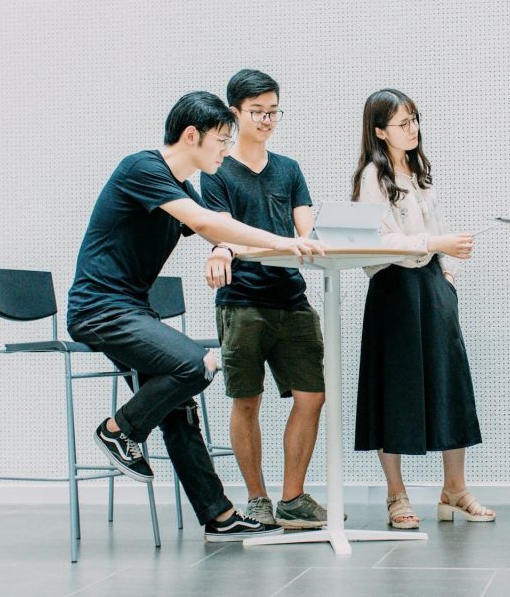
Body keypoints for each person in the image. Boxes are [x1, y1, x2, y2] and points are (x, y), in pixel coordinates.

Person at [67, 91, 323, 542]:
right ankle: (118, 430)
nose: (226, 151)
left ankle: (218, 515)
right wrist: (281, 241)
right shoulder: (142, 169)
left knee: (179, 409)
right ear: (192, 136)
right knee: (197, 364)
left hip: (132, 309)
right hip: (99, 308)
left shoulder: (180, 188)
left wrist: (238, 247)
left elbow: (220, 230)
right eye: (222, 141)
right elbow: (207, 223)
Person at [351, 88, 495, 529]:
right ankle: (396, 494)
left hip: (432, 284)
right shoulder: (372, 177)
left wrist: (447, 275)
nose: (412, 129)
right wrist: (435, 244)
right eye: (402, 123)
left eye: (415, 119)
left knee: (450, 382)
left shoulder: (419, 171)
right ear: (380, 131)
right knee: (394, 388)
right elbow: (377, 241)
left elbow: (440, 230)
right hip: (394, 289)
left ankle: (455, 490)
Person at [200, 69, 329, 529]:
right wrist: (224, 248)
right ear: (234, 113)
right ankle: (257, 499)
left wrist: (320, 238)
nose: (267, 120)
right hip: (242, 303)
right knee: (246, 400)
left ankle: (293, 497)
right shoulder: (217, 171)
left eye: (274, 111)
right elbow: (220, 230)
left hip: (292, 299)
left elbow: (305, 231)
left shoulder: (289, 169)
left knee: (312, 396)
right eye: (257, 112)